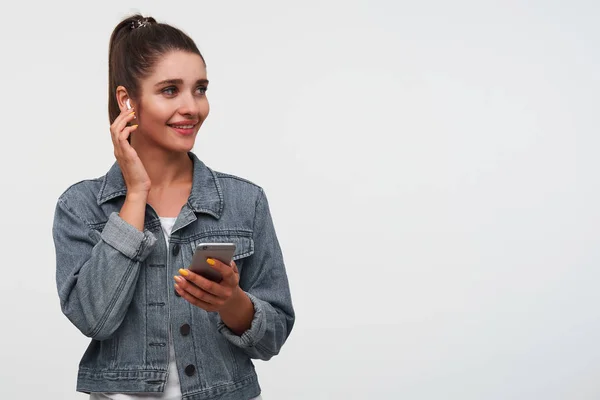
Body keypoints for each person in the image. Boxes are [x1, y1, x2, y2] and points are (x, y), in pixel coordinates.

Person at [52, 14, 295, 400]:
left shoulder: (244, 202)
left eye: (199, 89)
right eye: (170, 90)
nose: (192, 107)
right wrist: (135, 194)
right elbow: (94, 319)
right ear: (127, 101)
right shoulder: (80, 207)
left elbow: (273, 338)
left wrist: (232, 301)